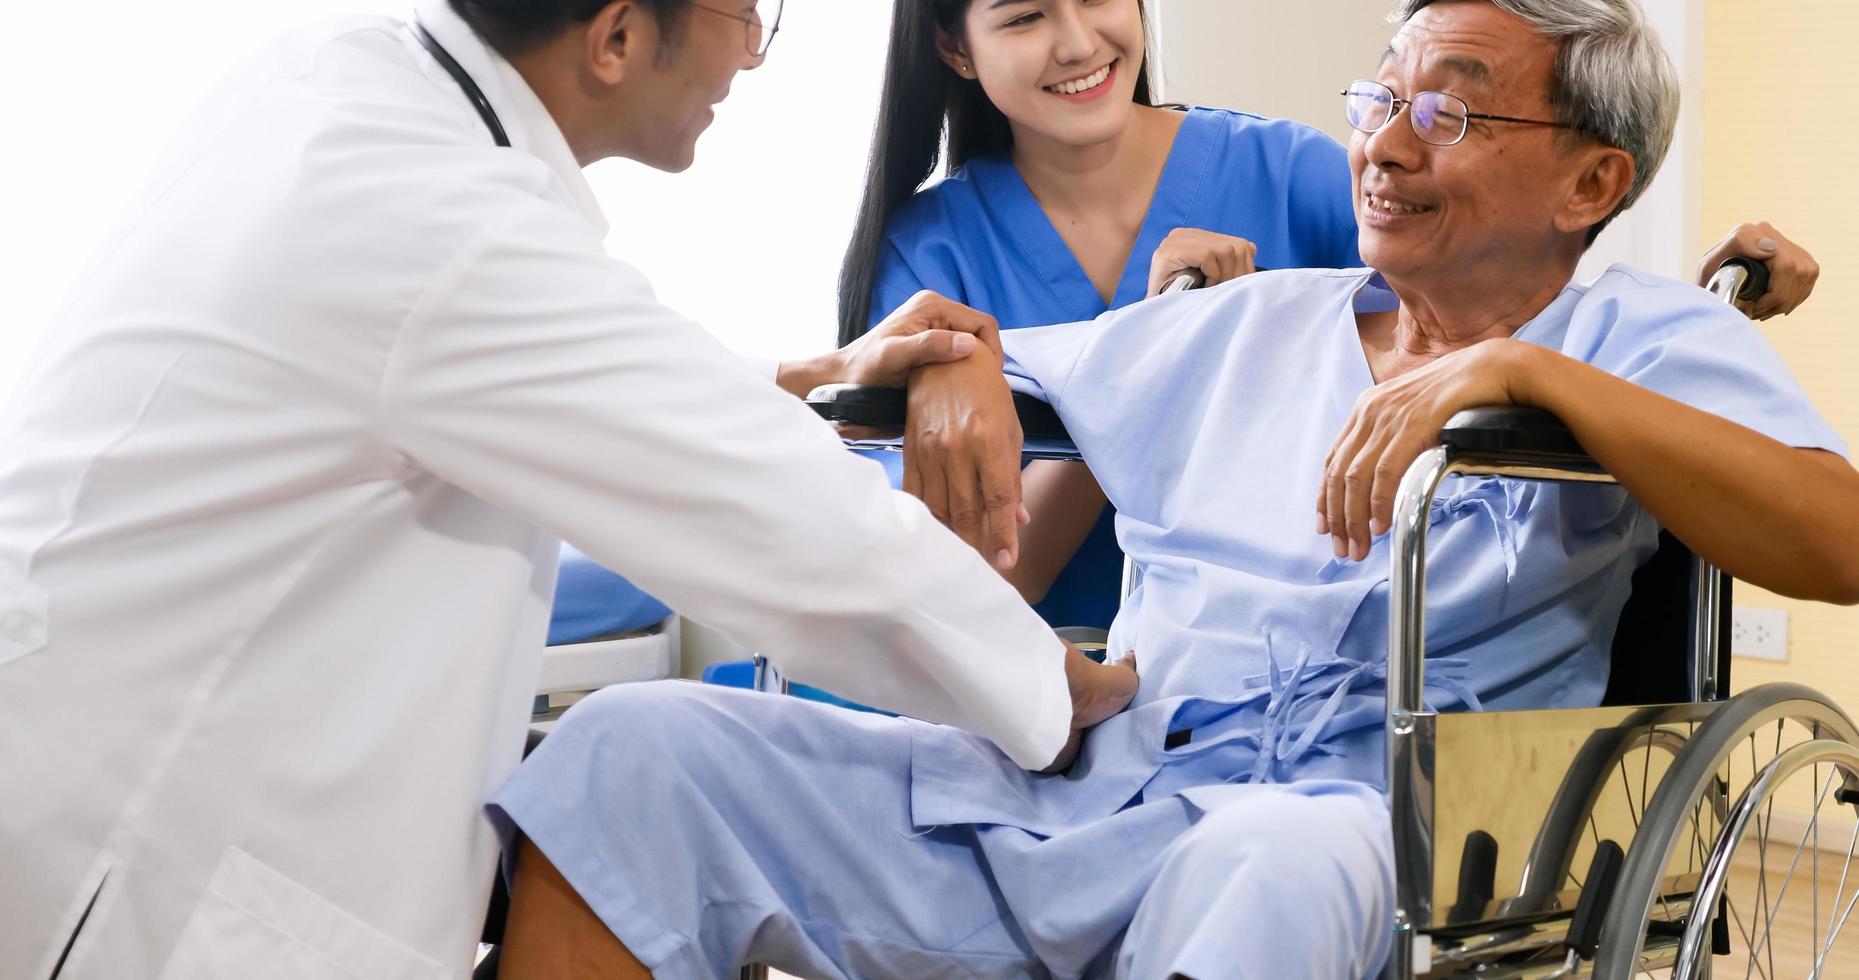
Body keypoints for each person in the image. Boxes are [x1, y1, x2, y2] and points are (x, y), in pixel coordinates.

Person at [487, 1, 1859, 977]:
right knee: (640, 754)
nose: (1381, 144)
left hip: (1353, 826)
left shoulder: (1632, 339)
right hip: (1091, 788)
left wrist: (1527, 375)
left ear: (1590, 179)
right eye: (1375, 99)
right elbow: (922, 356)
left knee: (1258, 865)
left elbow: (1834, 535)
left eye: (1440, 109)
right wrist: (948, 342)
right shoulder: (1248, 320)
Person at [0, 2, 1144, 977]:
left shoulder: (346, 90)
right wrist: (1061, 691)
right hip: (134, 839)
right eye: (748, 15)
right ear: (613, 37)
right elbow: (788, 521)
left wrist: (806, 376)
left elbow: (498, 368)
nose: (751, 55)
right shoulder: (439, 220)